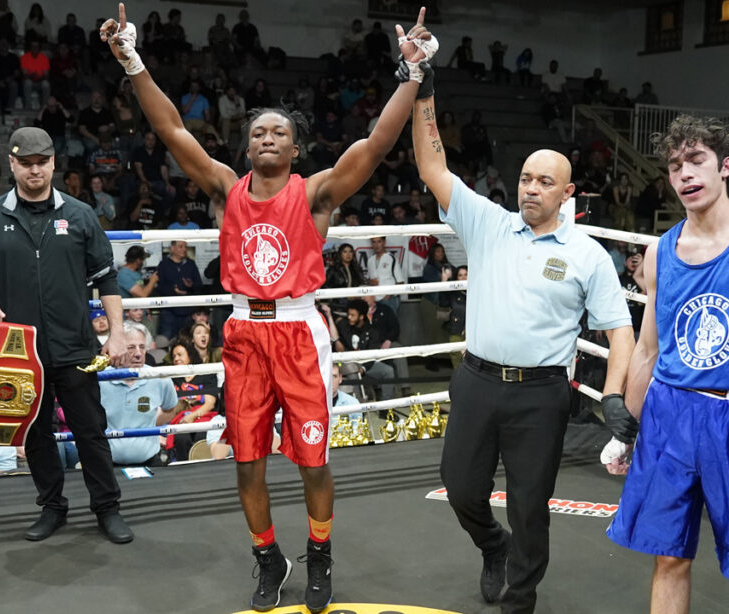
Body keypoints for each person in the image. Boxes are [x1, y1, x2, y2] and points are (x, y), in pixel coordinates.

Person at [101, 5, 434, 611]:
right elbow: (174, 132)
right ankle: (267, 557)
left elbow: (377, 144)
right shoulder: (228, 188)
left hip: (300, 333)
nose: (267, 138)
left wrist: (410, 75)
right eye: (258, 132)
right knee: (247, 460)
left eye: (279, 132)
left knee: (311, 462)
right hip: (244, 338)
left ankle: (320, 554)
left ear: (296, 145)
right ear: (246, 145)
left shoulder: (317, 192)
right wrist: (132, 59)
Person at [411, 69, 636, 613]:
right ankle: (494, 548)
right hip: (477, 381)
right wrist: (422, 87)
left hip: (541, 394)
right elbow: (432, 165)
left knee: (530, 506)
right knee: (461, 489)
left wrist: (612, 395)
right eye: (526, 178)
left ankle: (521, 600)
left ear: (568, 193)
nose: (531, 188)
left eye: (544, 181)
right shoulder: (488, 222)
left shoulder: (586, 255)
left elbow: (620, 331)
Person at [0, 127, 133, 544]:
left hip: (74, 345)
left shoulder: (79, 215)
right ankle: (52, 506)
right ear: (13, 165)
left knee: (90, 430)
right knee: (35, 434)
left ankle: (107, 508)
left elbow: (107, 278)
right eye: (26, 162)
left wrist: (117, 334)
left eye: (42, 161)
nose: (35, 169)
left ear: (54, 163)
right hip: (18, 355)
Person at [605, 115, 729, 613]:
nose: (685, 174)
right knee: (668, 555)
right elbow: (649, 348)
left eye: (696, 160)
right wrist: (626, 429)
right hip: (669, 415)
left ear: (725, 167)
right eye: (676, 165)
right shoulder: (660, 251)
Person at [100, 321, 178, 465]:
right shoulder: (100, 379)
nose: (138, 354)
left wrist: (148, 425)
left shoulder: (159, 377)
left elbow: (171, 409)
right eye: (131, 348)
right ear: (118, 348)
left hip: (150, 460)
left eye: (142, 347)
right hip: (107, 464)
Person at [156, 240, 203, 339]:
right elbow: (160, 287)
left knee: (188, 340)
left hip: (187, 311)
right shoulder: (164, 264)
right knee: (165, 341)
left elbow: (199, 285)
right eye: (180, 246)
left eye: (185, 247)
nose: (184, 249)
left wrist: (190, 285)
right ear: (172, 248)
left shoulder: (191, 264)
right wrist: (173, 290)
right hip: (168, 310)